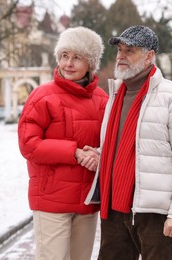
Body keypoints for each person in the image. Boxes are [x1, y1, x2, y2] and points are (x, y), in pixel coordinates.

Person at [84, 25, 172, 259]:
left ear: (150, 56)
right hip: (114, 208)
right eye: (120, 50)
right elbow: (131, 143)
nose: (121, 56)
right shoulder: (117, 95)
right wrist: (102, 152)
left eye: (130, 50)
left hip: (155, 212)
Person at [18, 26, 108, 260]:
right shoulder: (42, 96)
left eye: (77, 57)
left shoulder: (103, 100)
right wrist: (75, 153)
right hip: (51, 201)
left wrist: (98, 154)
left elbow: (111, 142)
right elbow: (29, 144)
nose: (68, 63)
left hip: (87, 199)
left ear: (90, 63)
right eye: (64, 56)